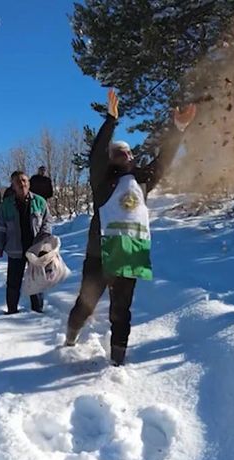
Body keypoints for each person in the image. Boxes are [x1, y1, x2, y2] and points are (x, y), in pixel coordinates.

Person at [64, 89, 196, 366]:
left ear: (132, 157)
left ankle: (117, 360)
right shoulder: (102, 181)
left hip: (129, 254)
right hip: (100, 255)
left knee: (121, 311)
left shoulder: (143, 182)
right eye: (117, 152)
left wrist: (178, 129)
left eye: (126, 152)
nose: (122, 155)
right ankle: (71, 336)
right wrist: (110, 122)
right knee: (86, 305)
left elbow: (164, 161)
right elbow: (96, 156)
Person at [0, 171, 52, 314]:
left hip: (35, 249)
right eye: (18, 181)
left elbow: (47, 222)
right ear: (13, 186)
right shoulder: (6, 205)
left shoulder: (40, 201)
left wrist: (43, 240)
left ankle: (37, 311)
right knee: (13, 283)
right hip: (15, 249)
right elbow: (0, 227)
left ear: (29, 183)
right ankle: (12, 311)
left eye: (24, 180)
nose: (22, 184)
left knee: (36, 281)